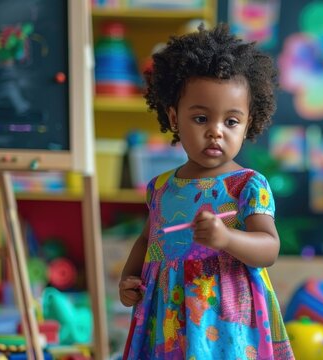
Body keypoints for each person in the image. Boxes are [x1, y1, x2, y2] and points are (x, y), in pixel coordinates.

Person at [118, 24, 294, 359]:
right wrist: (130, 278)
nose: (216, 132)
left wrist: (226, 239)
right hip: (167, 314)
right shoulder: (161, 187)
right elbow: (148, 239)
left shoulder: (247, 185)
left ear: (248, 123)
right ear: (174, 117)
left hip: (224, 319)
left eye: (231, 122)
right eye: (201, 119)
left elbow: (268, 247)